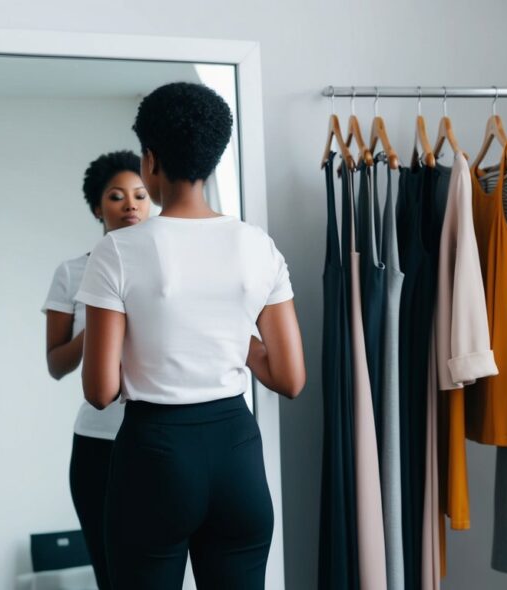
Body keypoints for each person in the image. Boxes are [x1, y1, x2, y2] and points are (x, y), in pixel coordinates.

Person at [76, 82, 305, 589]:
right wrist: (225, 328)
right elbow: (289, 378)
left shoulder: (117, 252)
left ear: (150, 160)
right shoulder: (257, 246)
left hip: (154, 458)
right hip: (238, 457)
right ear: (214, 158)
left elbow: (99, 392)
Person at [41, 150, 150, 590]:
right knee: (111, 574)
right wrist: (97, 325)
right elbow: (55, 364)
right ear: (96, 208)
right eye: (117, 196)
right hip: (97, 445)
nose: (131, 205)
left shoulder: (167, 266)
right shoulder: (72, 274)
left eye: (141, 195)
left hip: (157, 438)